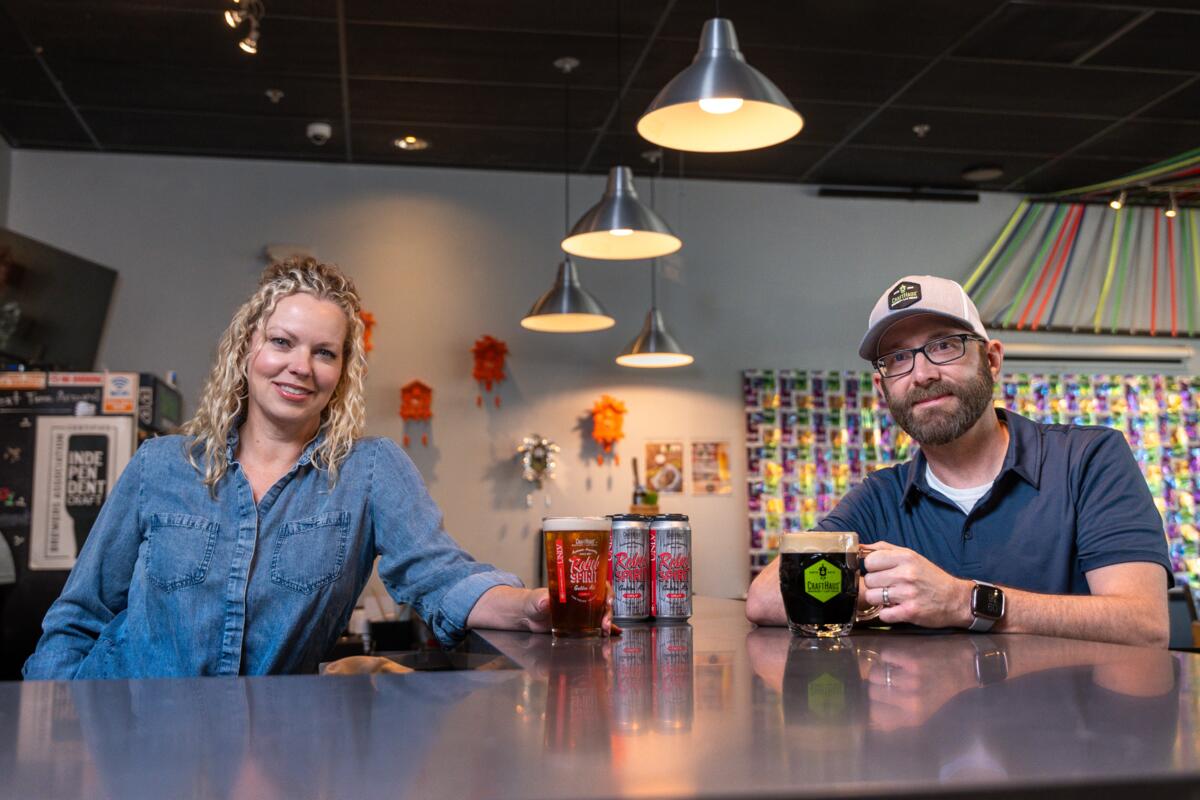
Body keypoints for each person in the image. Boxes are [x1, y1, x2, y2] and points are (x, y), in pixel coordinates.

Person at [25, 258, 610, 680]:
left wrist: (535, 603)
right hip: (129, 736)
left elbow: (440, 577)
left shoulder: (370, 470)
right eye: (282, 341)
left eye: (323, 352)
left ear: (342, 372)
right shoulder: (161, 465)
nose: (299, 366)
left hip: (271, 749)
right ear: (246, 350)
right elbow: (79, 617)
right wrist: (50, 740)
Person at [747, 275, 1172, 647]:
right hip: (928, 737)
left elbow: (1143, 624)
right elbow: (764, 598)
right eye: (898, 358)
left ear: (991, 359)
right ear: (882, 388)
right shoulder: (880, 496)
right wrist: (893, 593)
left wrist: (964, 601)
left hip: (1067, 733)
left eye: (944, 346)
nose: (922, 373)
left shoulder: (1088, 460)